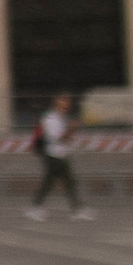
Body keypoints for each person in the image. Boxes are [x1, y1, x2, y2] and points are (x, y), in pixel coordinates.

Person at [28, 87, 89, 218]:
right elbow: (58, 138)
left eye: (68, 102)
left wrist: (70, 135)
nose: (67, 104)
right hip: (53, 155)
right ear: (57, 102)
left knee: (67, 182)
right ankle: (35, 207)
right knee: (51, 183)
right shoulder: (50, 118)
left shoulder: (61, 117)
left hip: (60, 154)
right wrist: (71, 130)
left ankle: (77, 209)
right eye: (64, 101)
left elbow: (63, 137)